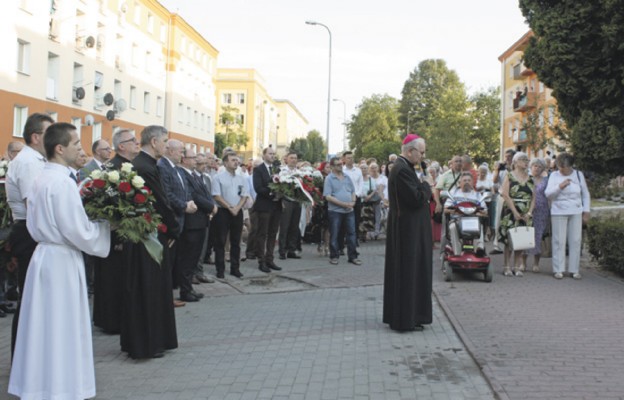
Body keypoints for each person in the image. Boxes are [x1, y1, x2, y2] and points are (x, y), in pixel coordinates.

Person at [9, 122, 111, 400]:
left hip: (45, 255)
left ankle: (41, 383)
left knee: (44, 324)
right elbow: (76, 229)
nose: (80, 149)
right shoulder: (61, 183)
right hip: (61, 258)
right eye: (76, 144)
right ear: (60, 148)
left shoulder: (42, 177)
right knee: (60, 324)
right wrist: (105, 228)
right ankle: (62, 386)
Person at [129, 125, 180, 357]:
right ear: (153, 142)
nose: (167, 145)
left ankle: (154, 340)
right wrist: (174, 229)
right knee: (150, 289)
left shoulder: (144, 164)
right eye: (164, 140)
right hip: (150, 235)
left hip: (149, 231)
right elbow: (161, 201)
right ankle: (149, 342)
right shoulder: (145, 166)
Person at [6, 112, 54, 355]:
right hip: (29, 230)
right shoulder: (27, 162)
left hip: (33, 229)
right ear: (36, 137)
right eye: (49, 133)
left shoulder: (36, 160)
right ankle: (22, 359)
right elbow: (33, 205)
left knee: (35, 299)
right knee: (29, 299)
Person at [383, 134, 432, 332]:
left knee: (413, 271)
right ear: (410, 151)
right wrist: (427, 185)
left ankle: (413, 315)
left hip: (410, 228)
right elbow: (415, 198)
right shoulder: (402, 169)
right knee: (408, 271)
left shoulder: (405, 167)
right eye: (421, 152)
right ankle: (406, 318)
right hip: (408, 231)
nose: (422, 156)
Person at [92, 129, 139, 334]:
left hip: (126, 231)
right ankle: (110, 320)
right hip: (115, 232)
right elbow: (109, 201)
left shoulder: (128, 166)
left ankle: (118, 317)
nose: (137, 143)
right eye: (133, 141)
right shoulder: (113, 168)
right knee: (111, 278)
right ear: (122, 146)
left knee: (120, 277)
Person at [158, 139, 198, 302]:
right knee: (168, 262)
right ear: (170, 151)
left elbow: (185, 190)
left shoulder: (177, 169)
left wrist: (189, 202)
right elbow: (166, 194)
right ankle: (166, 297)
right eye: (181, 151)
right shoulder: (163, 167)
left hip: (181, 220)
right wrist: (183, 205)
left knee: (178, 260)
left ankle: (175, 292)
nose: (182, 155)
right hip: (171, 220)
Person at [177, 148, 217, 299]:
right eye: (192, 157)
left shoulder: (195, 175)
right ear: (184, 160)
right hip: (192, 222)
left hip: (202, 220)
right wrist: (211, 207)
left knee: (194, 257)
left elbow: (205, 193)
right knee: (188, 258)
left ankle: (189, 288)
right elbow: (194, 195)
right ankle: (185, 291)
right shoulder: (183, 175)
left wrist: (211, 207)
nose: (196, 160)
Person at [544, 152, 590, 279]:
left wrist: (586, 211)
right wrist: (560, 186)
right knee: (559, 240)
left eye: (564, 167)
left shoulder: (578, 175)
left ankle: (574, 269)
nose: (561, 170)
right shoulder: (554, 175)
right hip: (558, 210)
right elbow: (548, 194)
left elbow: (585, 194)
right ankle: (558, 269)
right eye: (559, 167)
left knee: (575, 240)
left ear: (571, 166)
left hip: (576, 211)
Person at [212, 153, 249, 279]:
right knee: (221, 241)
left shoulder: (241, 178)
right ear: (225, 163)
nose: (236, 162)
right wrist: (230, 207)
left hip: (237, 212)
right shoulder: (218, 178)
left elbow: (244, 195)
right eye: (233, 160)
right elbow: (216, 195)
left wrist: (237, 208)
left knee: (236, 241)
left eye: (237, 160)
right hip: (223, 212)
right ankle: (220, 269)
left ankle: (235, 268)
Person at [498, 152, 534, 277]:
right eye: (523, 159)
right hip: (511, 211)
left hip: (525, 212)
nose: (526, 162)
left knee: (522, 239)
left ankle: (517, 266)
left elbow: (534, 197)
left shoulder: (530, 178)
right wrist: (514, 211)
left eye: (527, 159)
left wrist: (529, 212)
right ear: (516, 162)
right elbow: (505, 194)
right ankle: (507, 266)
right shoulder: (509, 176)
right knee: (509, 240)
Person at [323, 157, 361, 266]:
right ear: (332, 167)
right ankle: (334, 256)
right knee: (334, 234)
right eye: (338, 164)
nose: (341, 166)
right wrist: (344, 204)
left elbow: (353, 191)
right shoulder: (329, 179)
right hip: (335, 211)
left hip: (349, 210)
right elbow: (328, 197)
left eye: (341, 164)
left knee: (352, 234)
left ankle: (353, 256)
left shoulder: (347, 177)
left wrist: (353, 202)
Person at [252, 147, 283, 273]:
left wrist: (281, 193)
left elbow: (283, 184)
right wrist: (273, 193)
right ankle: (261, 260)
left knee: (273, 233)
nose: (272, 156)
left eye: (274, 154)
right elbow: (258, 188)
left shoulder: (278, 169)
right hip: (264, 206)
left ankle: (270, 259)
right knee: (262, 234)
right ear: (264, 155)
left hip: (276, 206)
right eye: (270, 154)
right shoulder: (258, 170)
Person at [444, 172, 487, 256]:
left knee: (479, 226)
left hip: (473, 220)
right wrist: (454, 210)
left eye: (469, 180)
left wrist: (480, 212)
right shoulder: (453, 193)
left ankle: (479, 248)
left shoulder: (478, 195)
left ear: (472, 182)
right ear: (460, 183)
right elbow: (445, 209)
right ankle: (457, 252)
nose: (467, 182)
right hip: (457, 220)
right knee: (452, 227)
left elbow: (485, 211)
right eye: (464, 180)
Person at [278, 151, 302, 259]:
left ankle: (291, 249)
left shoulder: (300, 173)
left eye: (295, 158)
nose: (293, 160)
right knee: (284, 226)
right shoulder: (282, 171)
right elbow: (278, 187)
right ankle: (282, 250)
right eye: (291, 158)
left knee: (294, 226)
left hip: (297, 201)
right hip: (286, 201)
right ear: (286, 159)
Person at [491, 149, 516, 253]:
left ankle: (514, 244)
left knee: (513, 222)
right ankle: (496, 245)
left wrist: (510, 169)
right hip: (502, 197)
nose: (507, 159)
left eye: (509, 156)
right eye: (506, 156)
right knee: (498, 222)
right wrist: (497, 170)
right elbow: (494, 181)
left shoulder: (516, 168)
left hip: (513, 198)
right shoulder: (501, 168)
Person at [528, 158, 549, 272]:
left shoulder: (546, 181)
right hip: (528, 211)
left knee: (538, 236)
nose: (536, 168)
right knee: (526, 235)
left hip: (541, 211)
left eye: (539, 166)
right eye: (534, 166)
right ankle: (522, 263)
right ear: (530, 167)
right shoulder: (527, 180)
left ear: (542, 169)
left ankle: (536, 263)